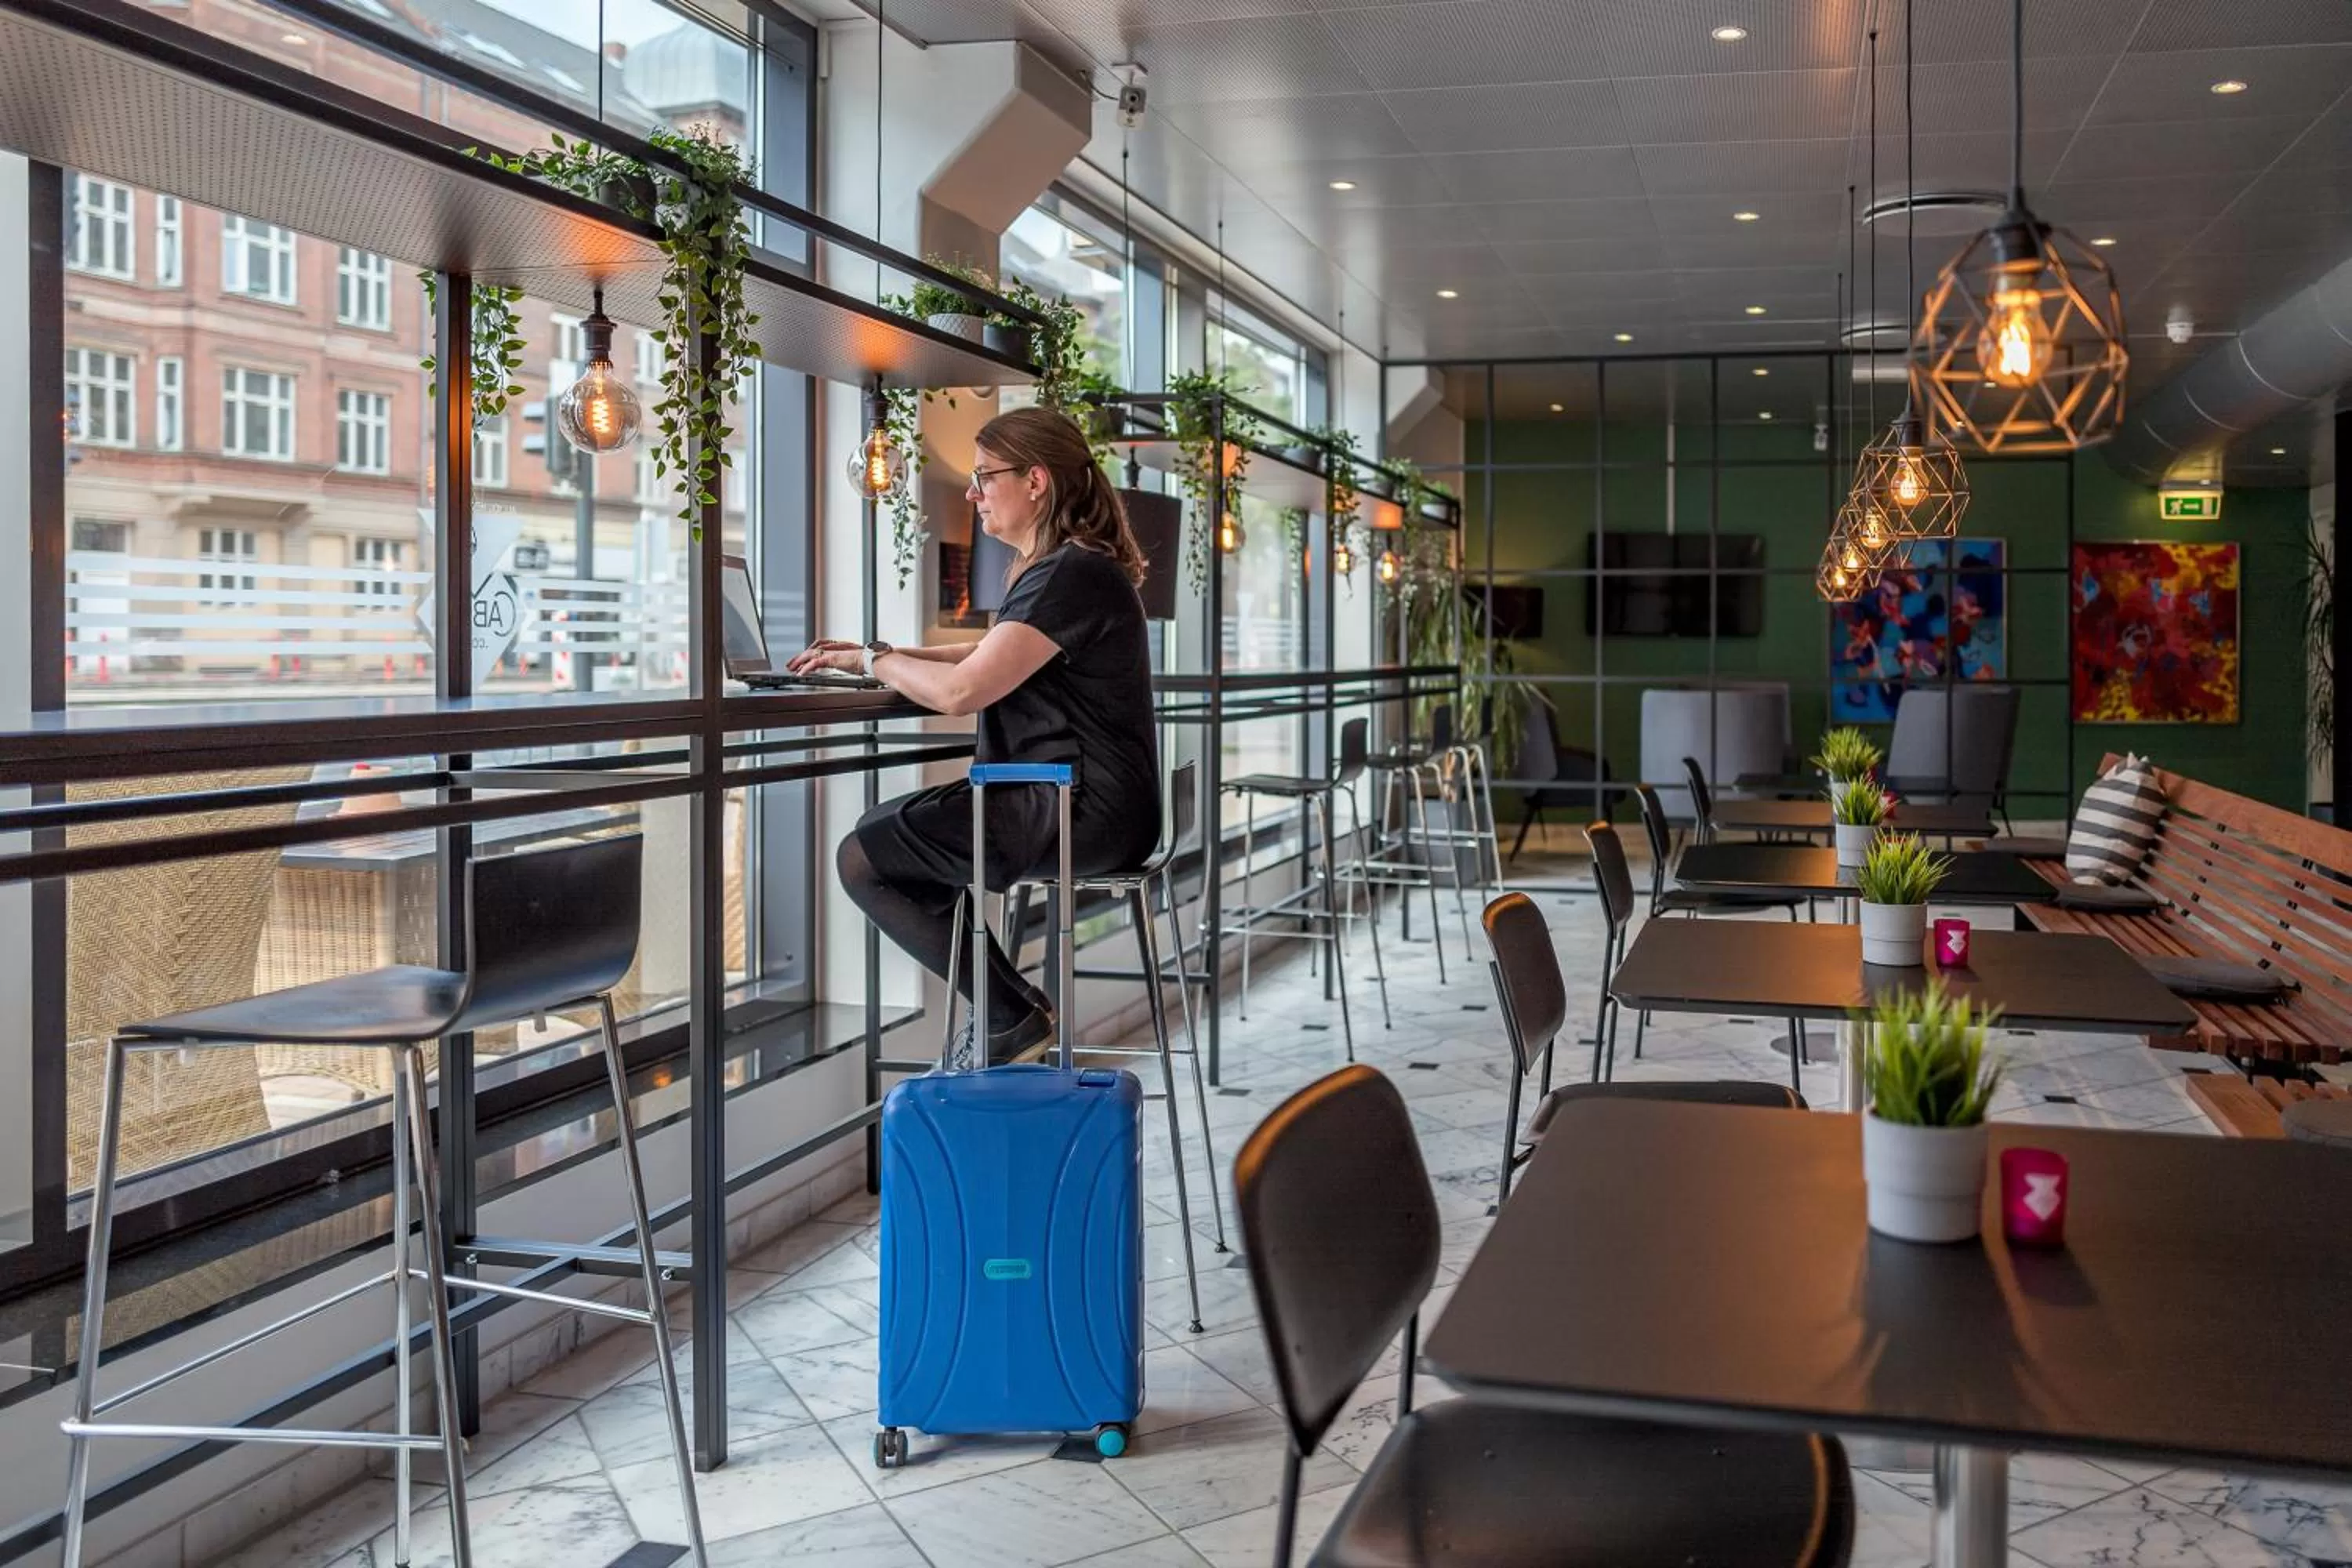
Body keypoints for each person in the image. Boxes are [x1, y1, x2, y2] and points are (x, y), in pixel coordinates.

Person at [792, 405, 1160, 1066]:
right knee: (892, 849)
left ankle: (1010, 1012)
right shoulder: (1067, 568)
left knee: (865, 858)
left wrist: (877, 663)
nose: (971, 493)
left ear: (1037, 481)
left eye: (985, 477)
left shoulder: (1068, 574)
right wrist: (878, 653)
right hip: (1082, 804)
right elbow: (987, 652)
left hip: (1079, 810)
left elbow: (964, 692)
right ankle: (1011, 1009)